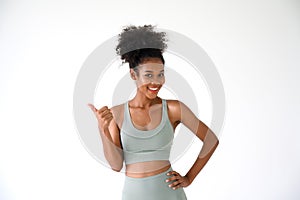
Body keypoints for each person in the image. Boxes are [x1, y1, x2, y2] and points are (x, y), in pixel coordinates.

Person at [88, 24, 219, 200]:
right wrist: (103, 130)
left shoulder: (174, 109)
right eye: (149, 75)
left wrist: (189, 178)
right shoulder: (117, 114)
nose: (156, 82)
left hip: (169, 194)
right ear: (134, 75)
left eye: (160, 74)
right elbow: (116, 165)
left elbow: (211, 140)